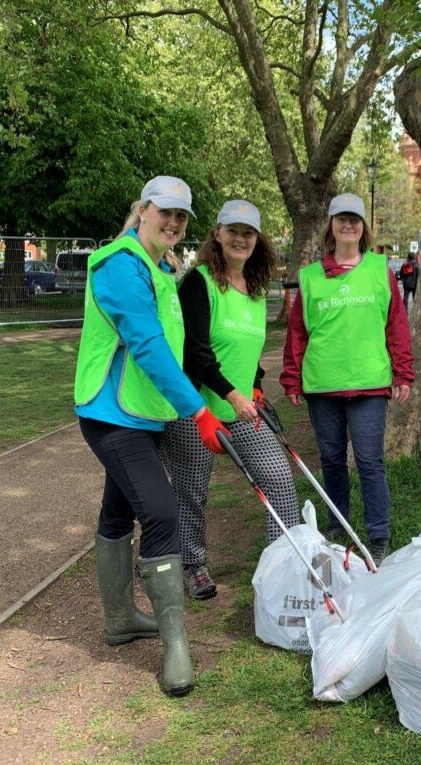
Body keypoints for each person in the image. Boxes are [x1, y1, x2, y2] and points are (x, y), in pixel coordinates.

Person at [74, 176, 229, 697]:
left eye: (182, 217)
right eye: (165, 212)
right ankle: (175, 644)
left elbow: (177, 346)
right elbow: (145, 344)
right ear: (142, 209)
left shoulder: (165, 269)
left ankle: (120, 620)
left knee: (119, 511)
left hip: (143, 413)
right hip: (111, 414)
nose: (173, 223)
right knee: (161, 512)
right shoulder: (120, 265)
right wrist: (198, 412)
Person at [161, 200, 300, 600]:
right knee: (191, 489)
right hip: (196, 407)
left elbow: (246, 352)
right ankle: (193, 565)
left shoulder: (256, 291)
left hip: (241, 408)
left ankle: (284, 563)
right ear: (217, 235)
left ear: (258, 241)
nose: (241, 238)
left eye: (249, 233)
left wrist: (254, 385)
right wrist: (232, 393)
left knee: (278, 478)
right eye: (233, 230)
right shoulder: (199, 282)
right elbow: (196, 351)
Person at [281, 193, 415, 564]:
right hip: (323, 384)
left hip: (370, 384)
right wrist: (291, 378)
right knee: (332, 459)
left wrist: (403, 371)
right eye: (341, 218)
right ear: (331, 226)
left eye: (354, 219)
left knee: (370, 461)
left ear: (363, 228)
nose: (348, 225)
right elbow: (298, 334)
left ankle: (378, 533)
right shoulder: (309, 278)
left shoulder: (380, 270)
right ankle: (337, 526)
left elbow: (396, 326)